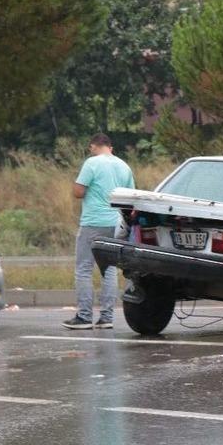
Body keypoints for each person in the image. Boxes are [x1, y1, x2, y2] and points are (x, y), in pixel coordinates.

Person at [62, 133, 135, 330]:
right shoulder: (124, 166)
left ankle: (84, 316)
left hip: (93, 222)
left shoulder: (92, 163)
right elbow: (130, 198)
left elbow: (79, 192)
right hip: (116, 223)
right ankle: (106, 317)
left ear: (93, 146)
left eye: (91, 148)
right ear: (110, 147)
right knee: (109, 269)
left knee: (84, 269)